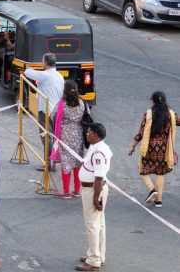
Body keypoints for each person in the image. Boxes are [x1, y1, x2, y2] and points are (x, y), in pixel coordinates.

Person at [129, 91, 179, 209]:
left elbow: (141, 133)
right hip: (164, 150)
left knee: (143, 169)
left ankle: (151, 190)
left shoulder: (148, 114)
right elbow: (179, 121)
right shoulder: (171, 114)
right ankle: (158, 201)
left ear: (154, 101)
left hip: (150, 149)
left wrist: (133, 146)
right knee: (160, 173)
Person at [76, 123, 112, 271]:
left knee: (92, 224)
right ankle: (97, 254)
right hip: (96, 189)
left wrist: (96, 198)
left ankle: (94, 260)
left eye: (89, 132)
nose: (87, 134)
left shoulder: (99, 153)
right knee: (99, 223)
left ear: (95, 135)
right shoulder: (97, 147)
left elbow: (98, 177)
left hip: (93, 190)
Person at [25, 53, 65, 171]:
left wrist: (30, 67)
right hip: (57, 111)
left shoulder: (46, 75)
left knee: (46, 137)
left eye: (42, 61)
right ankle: (53, 160)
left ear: (46, 63)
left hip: (46, 111)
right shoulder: (59, 76)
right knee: (53, 136)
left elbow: (28, 73)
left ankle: (49, 163)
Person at [52, 80, 86, 199]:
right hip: (78, 134)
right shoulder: (82, 103)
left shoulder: (62, 103)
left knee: (66, 163)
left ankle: (66, 191)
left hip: (64, 134)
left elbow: (53, 115)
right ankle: (77, 190)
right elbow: (86, 115)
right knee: (77, 162)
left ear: (64, 90)